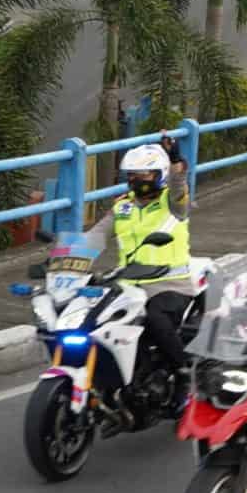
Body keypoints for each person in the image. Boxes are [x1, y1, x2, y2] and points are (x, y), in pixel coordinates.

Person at [86, 138, 193, 412]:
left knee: (155, 319)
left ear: (159, 175)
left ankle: (184, 373)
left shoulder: (172, 203)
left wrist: (176, 162)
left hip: (168, 283)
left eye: (143, 174)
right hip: (128, 285)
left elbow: (180, 188)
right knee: (92, 321)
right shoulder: (123, 206)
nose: (136, 180)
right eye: (131, 175)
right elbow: (95, 236)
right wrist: (62, 258)